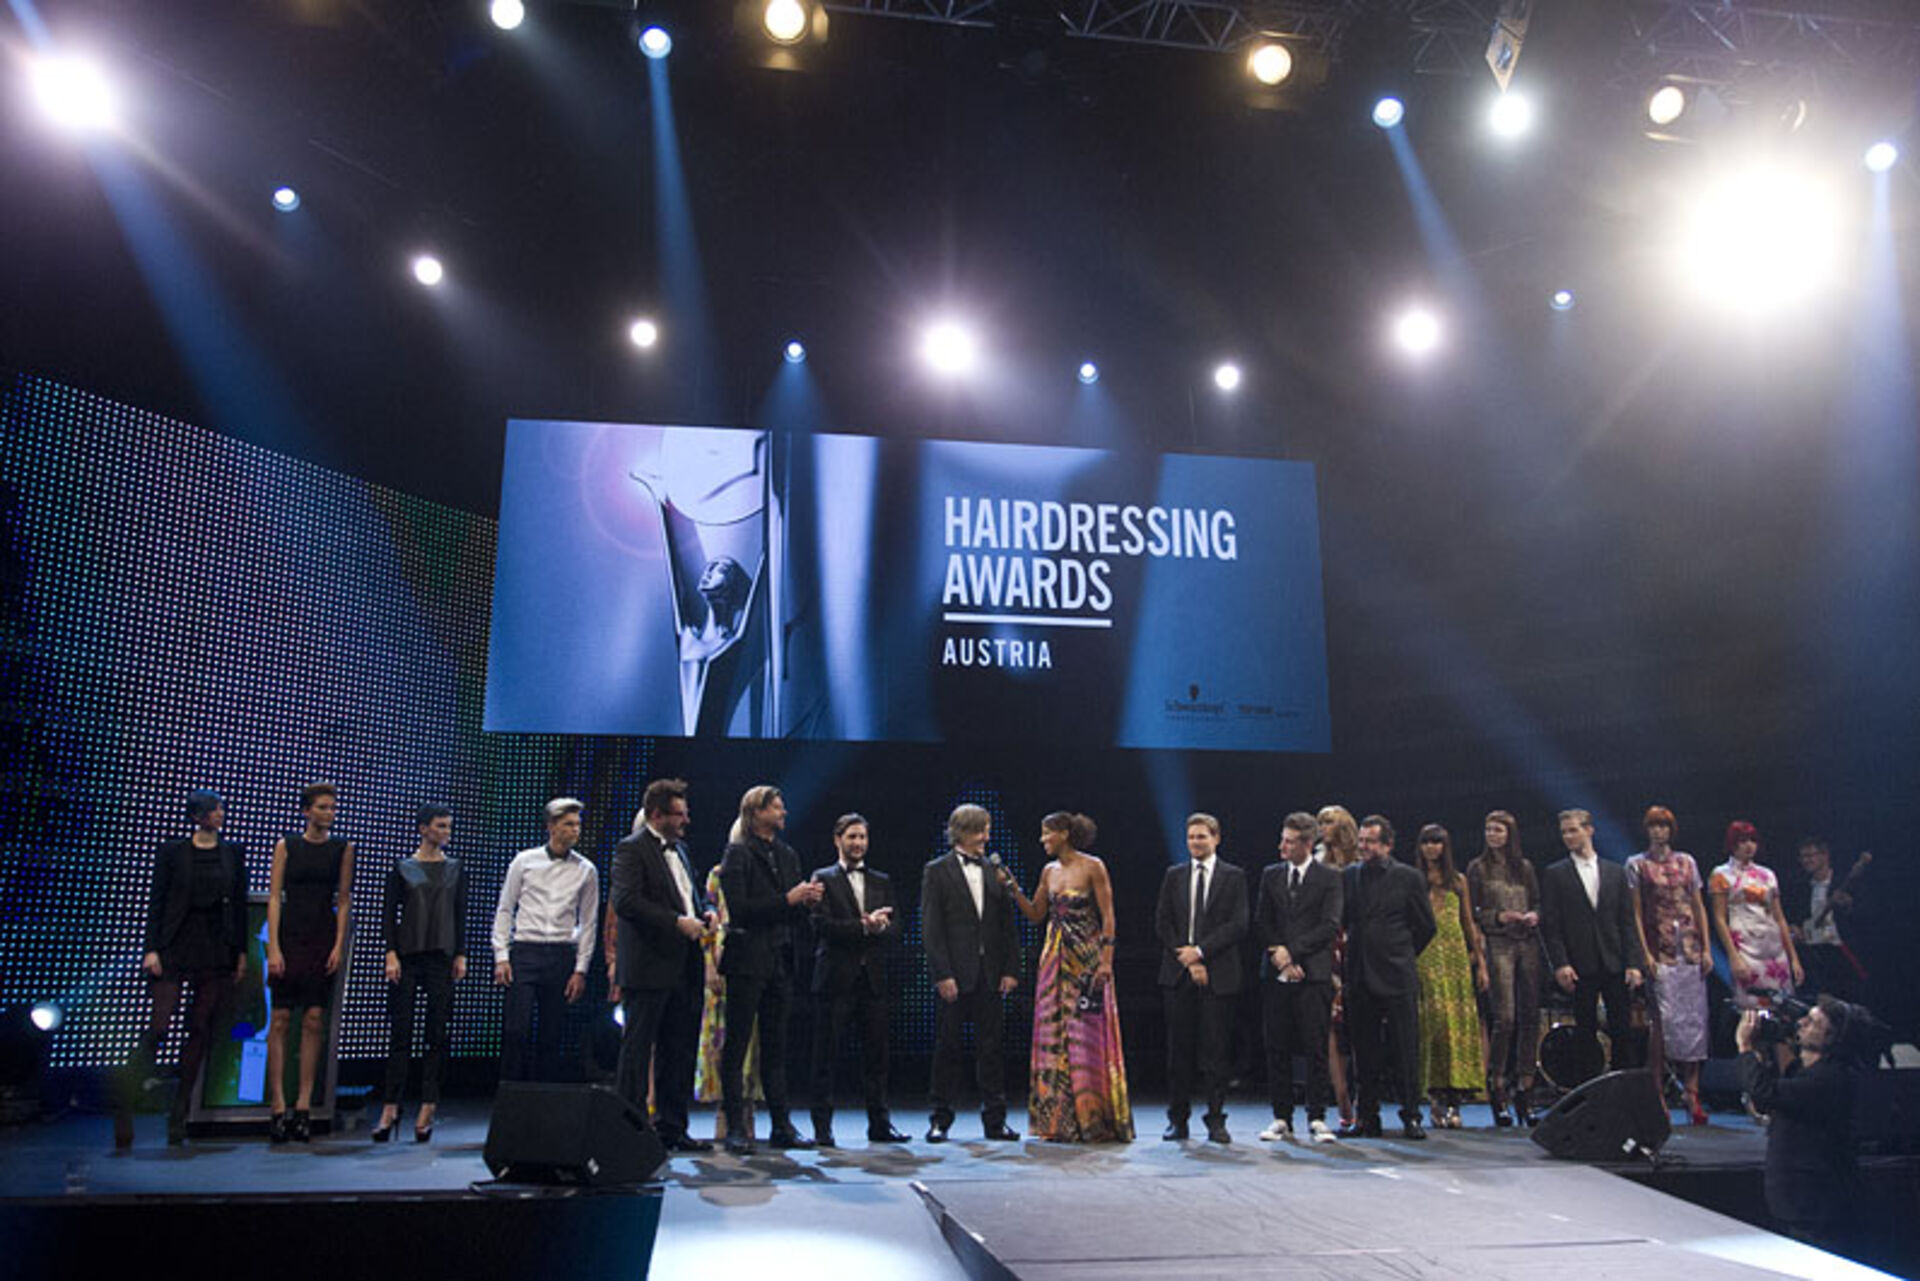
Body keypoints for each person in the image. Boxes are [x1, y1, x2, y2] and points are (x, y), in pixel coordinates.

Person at [115, 790, 249, 1148]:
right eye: (214, 809)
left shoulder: (232, 853)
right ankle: (125, 1101)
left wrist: (240, 952)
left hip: (215, 947)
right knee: (159, 1026)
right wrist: (151, 948)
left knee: (200, 1028)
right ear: (197, 815)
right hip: (176, 944)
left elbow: (238, 905)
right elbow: (157, 900)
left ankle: (179, 1113)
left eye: (221, 809)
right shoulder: (173, 852)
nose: (220, 814)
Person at [1000, 812, 1132, 1143]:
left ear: (1064, 833)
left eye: (1047, 833)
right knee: (1053, 1036)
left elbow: (1109, 915)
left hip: (1086, 960)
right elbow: (1036, 914)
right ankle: (1058, 1121)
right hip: (1053, 961)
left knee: (1087, 1036)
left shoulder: (1093, 866)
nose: (1042, 839)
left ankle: (1093, 1118)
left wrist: (1106, 960)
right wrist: (1013, 889)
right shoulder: (1049, 871)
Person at [611, 778, 716, 1154]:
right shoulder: (631, 849)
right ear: (656, 815)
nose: (686, 820)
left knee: (679, 1049)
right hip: (648, 966)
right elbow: (626, 902)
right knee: (638, 1051)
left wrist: (706, 912)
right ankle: (628, 1131)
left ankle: (673, 1128)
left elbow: (690, 896)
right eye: (679, 814)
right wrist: (676, 922)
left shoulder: (682, 850)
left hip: (684, 965)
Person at [716, 785, 822, 1153]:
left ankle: (781, 1124)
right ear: (756, 811)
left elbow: (791, 912)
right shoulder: (737, 853)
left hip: (780, 959)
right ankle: (735, 1127)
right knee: (737, 1045)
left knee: (776, 1047)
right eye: (776, 807)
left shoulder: (787, 854)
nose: (783, 812)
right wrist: (787, 900)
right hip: (747, 960)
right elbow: (741, 909)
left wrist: (806, 902)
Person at [921, 803, 1022, 1143]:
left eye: (987, 831)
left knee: (991, 1049)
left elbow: (1008, 926)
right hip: (954, 974)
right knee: (947, 1048)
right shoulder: (937, 871)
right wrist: (942, 973)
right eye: (981, 831)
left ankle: (995, 1120)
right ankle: (940, 1119)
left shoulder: (996, 871)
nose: (986, 838)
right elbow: (932, 928)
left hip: (990, 973)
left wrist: (1011, 969)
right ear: (962, 833)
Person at [807, 813, 908, 1147]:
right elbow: (820, 926)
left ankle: (880, 1124)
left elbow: (897, 927)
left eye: (862, 837)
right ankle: (822, 1127)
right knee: (825, 1056)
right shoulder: (822, 878)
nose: (858, 843)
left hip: (872, 980)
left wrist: (881, 927)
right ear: (837, 840)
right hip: (835, 978)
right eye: (851, 837)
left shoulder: (881, 880)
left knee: (877, 1057)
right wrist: (863, 926)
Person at [264, 781, 354, 1144]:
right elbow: (274, 896)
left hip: (321, 935)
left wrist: (339, 944)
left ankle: (303, 1105)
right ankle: (278, 1106)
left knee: (314, 1019)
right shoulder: (286, 846)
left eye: (332, 807)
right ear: (306, 811)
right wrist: (273, 947)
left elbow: (343, 899)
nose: (329, 813)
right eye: (322, 807)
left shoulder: (342, 848)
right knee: (280, 1019)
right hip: (290, 934)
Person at [1736, 997, 1865, 1248]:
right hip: (1797, 1201)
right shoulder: (1802, 1071)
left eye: (1814, 1022)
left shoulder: (1830, 1078)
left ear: (1831, 1038)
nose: (1801, 1023)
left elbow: (1765, 1091)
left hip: (1817, 1204)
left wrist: (1744, 1046)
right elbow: (1765, 1098)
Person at [1153, 812, 1249, 1143]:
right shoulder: (1174, 875)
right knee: (1178, 1052)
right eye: (1191, 837)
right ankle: (1177, 1120)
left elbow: (1238, 924)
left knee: (1216, 1052)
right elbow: (1163, 922)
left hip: (1219, 974)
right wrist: (1187, 956)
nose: (1195, 842)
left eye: (1202, 836)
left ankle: (1216, 1119)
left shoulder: (1233, 876)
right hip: (1178, 973)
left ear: (1216, 838)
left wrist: (1201, 952)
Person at [375, 803, 467, 1143]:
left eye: (448, 826)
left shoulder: (455, 868)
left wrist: (461, 954)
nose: (446, 832)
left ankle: (428, 1105)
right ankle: (390, 1107)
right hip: (408, 954)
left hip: (441, 956)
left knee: (436, 1033)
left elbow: (460, 914)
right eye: (440, 826)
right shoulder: (403, 867)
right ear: (423, 828)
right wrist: (390, 953)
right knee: (401, 1032)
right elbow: (389, 914)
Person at [492, 797, 599, 1083]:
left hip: (561, 953)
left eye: (577, 824)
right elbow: (505, 908)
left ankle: (542, 1098)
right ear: (552, 826)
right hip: (526, 950)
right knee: (516, 1030)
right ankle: (510, 1094)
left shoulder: (586, 870)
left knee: (551, 1033)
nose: (575, 830)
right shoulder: (524, 861)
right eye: (569, 824)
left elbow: (588, 923)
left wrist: (580, 969)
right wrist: (501, 955)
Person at [1342, 815, 1435, 1140]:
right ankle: (1367, 1117)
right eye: (1361, 841)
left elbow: (1426, 926)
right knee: (1364, 1052)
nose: (1364, 847)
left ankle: (1411, 1116)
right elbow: (1344, 920)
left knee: (1405, 1050)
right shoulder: (1349, 875)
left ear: (1388, 844)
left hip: (1396, 974)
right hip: (1359, 974)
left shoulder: (1408, 877)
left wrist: (1403, 953)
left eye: (1370, 841)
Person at [1255, 812, 1342, 1143]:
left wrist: (1292, 953)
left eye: (1290, 842)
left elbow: (1329, 925)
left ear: (1307, 844)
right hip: (1277, 973)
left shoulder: (1329, 878)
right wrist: (1278, 955)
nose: (1282, 847)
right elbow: (1262, 921)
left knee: (1315, 1046)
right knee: (1276, 1046)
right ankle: (1281, 1117)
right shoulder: (1271, 875)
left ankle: (1317, 1116)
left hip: (1313, 973)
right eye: (1283, 839)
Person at [1540, 808, 1645, 1074]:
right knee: (1585, 1031)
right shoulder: (1555, 874)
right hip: (1579, 962)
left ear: (1589, 830)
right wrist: (1560, 963)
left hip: (1613, 959)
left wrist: (1634, 963)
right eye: (1564, 832)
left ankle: (1623, 1087)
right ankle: (1589, 1088)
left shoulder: (1615, 872)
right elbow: (1552, 925)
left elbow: (1627, 922)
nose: (1568, 836)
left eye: (1573, 830)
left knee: (1622, 1029)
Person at [1626, 806, 1712, 1125]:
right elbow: (1635, 912)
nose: (1658, 831)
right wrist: (1644, 953)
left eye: (1663, 826)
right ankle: (1657, 1091)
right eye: (1653, 826)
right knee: (1662, 1022)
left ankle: (1692, 1090)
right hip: (1660, 950)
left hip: (1690, 948)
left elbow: (1698, 905)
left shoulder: (1687, 862)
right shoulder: (1637, 864)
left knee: (1695, 1019)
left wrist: (1707, 948)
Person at [1466, 810, 1542, 1126]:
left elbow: (1537, 902)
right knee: (1505, 1017)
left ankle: (1526, 1087)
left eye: (1498, 830)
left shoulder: (1524, 867)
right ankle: (1497, 1085)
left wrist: (1534, 915)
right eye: (1489, 830)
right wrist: (1499, 917)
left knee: (1530, 1016)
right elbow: (1472, 912)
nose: (1492, 835)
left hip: (1527, 943)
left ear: (1510, 834)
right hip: (1498, 943)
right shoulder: (1477, 868)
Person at [1413, 824, 1487, 1129]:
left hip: (1456, 959)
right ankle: (1434, 1098)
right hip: (1426, 957)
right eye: (1426, 842)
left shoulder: (1458, 881)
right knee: (1434, 1026)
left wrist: (1480, 962)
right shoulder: (1414, 880)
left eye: (1437, 842)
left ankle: (1456, 1101)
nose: (1431, 848)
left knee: (1457, 1027)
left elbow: (1468, 922)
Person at [695, 859, 760, 1139]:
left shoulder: (761, 871)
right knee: (718, 1041)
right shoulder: (717, 873)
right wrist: (709, 964)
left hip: (752, 961)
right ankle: (724, 1109)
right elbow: (706, 918)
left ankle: (748, 1108)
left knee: (751, 1041)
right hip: (721, 961)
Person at [1711, 821, 1802, 1009]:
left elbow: (1780, 918)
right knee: (1752, 1008)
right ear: (1732, 844)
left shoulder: (1767, 874)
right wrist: (1733, 956)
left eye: (1752, 840)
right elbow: (1719, 918)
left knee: (1782, 1007)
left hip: (1775, 949)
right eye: (1743, 841)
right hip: (1746, 948)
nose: (1749, 845)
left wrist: (1794, 958)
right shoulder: (1721, 874)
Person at [1315, 804, 1361, 1132]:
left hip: (1358, 945)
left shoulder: (1362, 861)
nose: (1323, 827)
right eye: (1320, 822)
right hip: (1326, 946)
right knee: (1330, 1026)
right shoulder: (1316, 862)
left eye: (1329, 821)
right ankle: (1343, 1101)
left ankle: (1362, 1099)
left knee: (1358, 1027)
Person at [1785, 839, 1864, 1004]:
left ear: (1824, 856)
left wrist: (1848, 904)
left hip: (1842, 952)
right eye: (1802, 857)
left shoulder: (1842, 882)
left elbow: (1865, 915)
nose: (1806, 860)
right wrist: (1794, 929)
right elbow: (1795, 919)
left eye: (1810, 855)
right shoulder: (1801, 888)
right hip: (1814, 956)